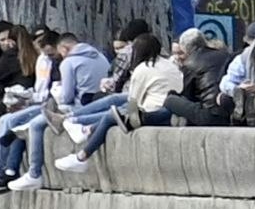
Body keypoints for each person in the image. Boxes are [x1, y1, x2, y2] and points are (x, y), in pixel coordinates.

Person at [0, 31, 107, 193]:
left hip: (72, 107)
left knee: (29, 123)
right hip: (91, 104)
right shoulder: (100, 56)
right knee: (10, 121)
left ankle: (28, 173)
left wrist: (56, 92)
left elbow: (67, 96)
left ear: (64, 47)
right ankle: (2, 170)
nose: (57, 56)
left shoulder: (69, 62)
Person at [53, 33, 181, 171]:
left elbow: (133, 102)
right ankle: (81, 127)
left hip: (154, 112)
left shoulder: (143, 69)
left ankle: (82, 153)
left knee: (113, 114)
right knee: (115, 105)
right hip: (171, 109)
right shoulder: (170, 65)